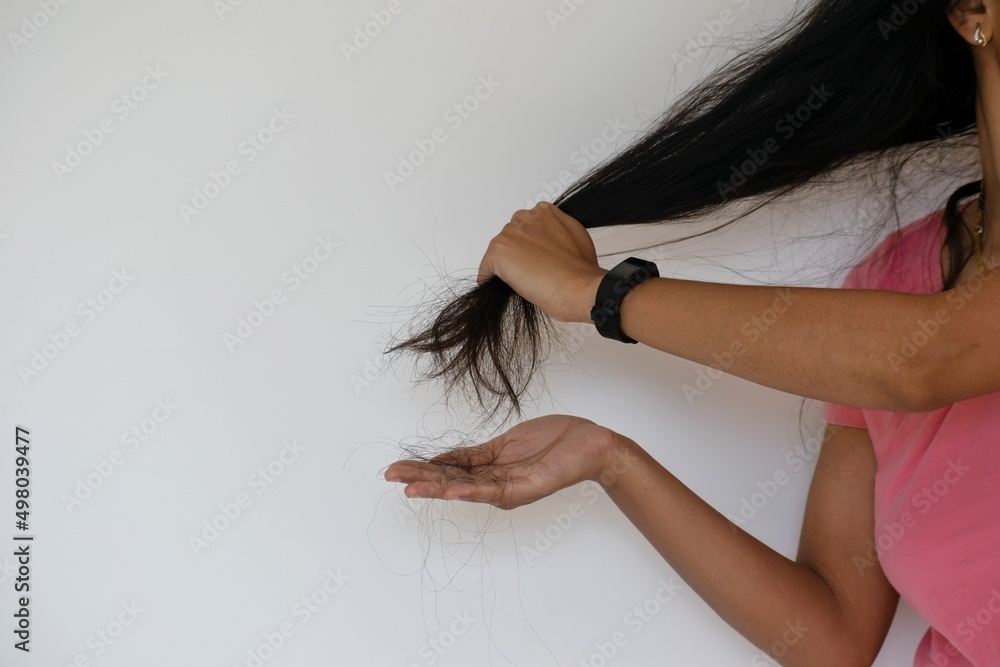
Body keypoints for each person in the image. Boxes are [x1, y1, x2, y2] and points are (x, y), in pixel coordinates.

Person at [384, 2, 1000, 665]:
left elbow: (928, 358)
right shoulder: (891, 283)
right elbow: (834, 635)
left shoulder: (908, 345)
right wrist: (611, 459)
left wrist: (599, 293)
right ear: (975, 11)